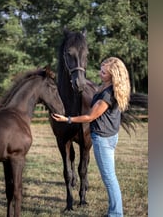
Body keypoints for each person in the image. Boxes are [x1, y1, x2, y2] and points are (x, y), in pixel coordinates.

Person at [52, 57, 130, 217]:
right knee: (110, 177)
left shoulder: (107, 95)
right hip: (110, 136)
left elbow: (89, 117)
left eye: (103, 71)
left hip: (103, 140)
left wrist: (67, 119)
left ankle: (116, 214)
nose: (99, 73)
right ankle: (114, 212)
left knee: (109, 179)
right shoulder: (109, 86)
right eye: (100, 69)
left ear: (112, 74)